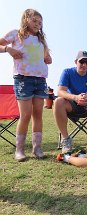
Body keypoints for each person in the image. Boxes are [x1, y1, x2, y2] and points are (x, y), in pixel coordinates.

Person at [0, 9, 52, 162]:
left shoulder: (41, 40)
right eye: (35, 21)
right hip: (23, 79)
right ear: (26, 20)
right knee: (25, 115)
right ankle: (20, 150)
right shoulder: (16, 34)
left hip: (40, 80)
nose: (38, 24)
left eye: (40, 22)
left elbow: (46, 57)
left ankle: (37, 148)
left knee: (38, 114)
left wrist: (48, 58)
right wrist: (7, 49)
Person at [53, 50, 87, 153]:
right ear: (75, 62)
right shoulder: (67, 72)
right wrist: (76, 98)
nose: (84, 65)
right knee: (58, 101)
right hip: (72, 104)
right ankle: (65, 139)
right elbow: (59, 91)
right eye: (82, 62)